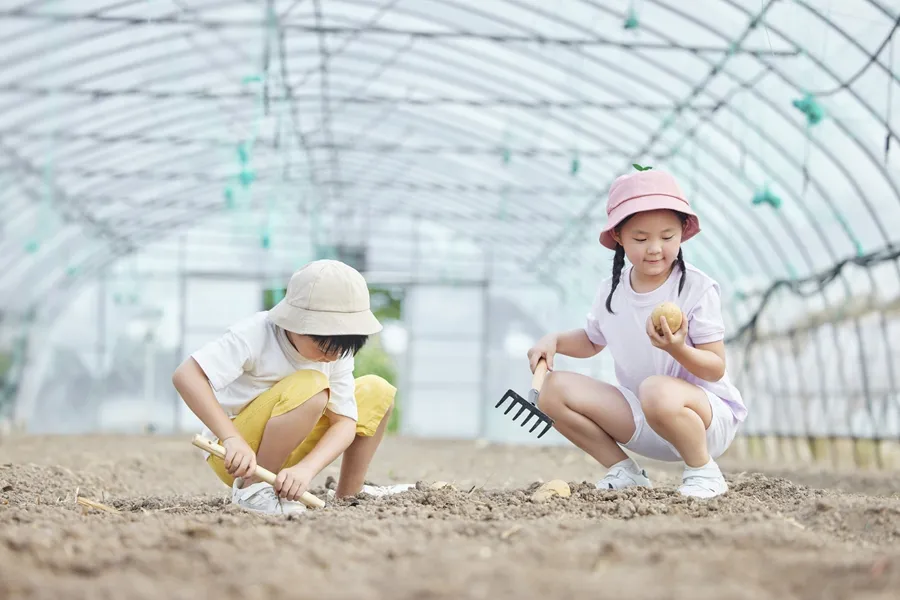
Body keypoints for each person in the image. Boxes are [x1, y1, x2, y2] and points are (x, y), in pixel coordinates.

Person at [527, 168, 747, 499]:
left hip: (703, 420)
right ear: (618, 236)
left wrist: (677, 349)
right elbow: (591, 340)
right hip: (645, 416)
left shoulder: (696, 289)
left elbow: (715, 367)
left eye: (668, 237)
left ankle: (704, 471)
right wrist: (554, 341)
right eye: (641, 239)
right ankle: (625, 472)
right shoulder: (611, 291)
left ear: (683, 233)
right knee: (552, 389)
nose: (655, 248)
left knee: (656, 389)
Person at [172, 259, 411, 515]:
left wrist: (307, 469)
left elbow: (344, 422)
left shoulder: (337, 353)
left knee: (377, 391)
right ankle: (253, 489)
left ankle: (349, 493)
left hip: (295, 444)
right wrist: (231, 438)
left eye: (342, 349)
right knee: (313, 384)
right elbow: (187, 375)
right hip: (238, 456)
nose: (332, 357)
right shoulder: (257, 333)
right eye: (323, 348)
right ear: (295, 323)